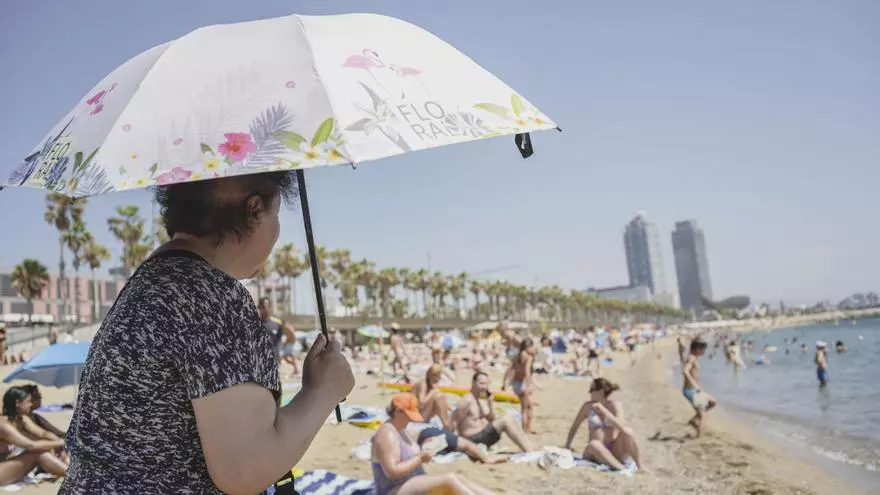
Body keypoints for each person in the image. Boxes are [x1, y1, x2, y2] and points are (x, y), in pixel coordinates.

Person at [59, 172, 354, 494]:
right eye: (276, 214)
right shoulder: (211, 295)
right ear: (254, 210)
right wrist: (324, 390)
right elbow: (245, 469)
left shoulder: (150, 281)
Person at [371, 393, 496, 495]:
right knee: (449, 480)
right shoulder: (386, 434)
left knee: (459, 478)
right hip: (395, 489)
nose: (410, 419)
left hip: (412, 481)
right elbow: (392, 471)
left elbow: (410, 453)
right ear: (397, 411)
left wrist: (426, 447)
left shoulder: (402, 430)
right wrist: (420, 458)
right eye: (409, 415)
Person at [563, 378, 642, 471]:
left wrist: (605, 412)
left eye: (592, 390)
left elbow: (622, 428)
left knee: (629, 431)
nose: (590, 393)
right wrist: (567, 445)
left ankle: (640, 466)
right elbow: (575, 426)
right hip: (595, 451)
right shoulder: (587, 406)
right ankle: (622, 468)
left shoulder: (615, 405)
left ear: (600, 391)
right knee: (594, 444)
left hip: (615, 448)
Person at [0, 387, 68, 484]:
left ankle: (75, 472)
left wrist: (60, 444)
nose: (31, 405)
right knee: (38, 453)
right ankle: (75, 476)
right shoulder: (4, 425)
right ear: (18, 403)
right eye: (28, 402)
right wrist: (62, 442)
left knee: (46, 447)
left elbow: (44, 433)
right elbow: (31, 446)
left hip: (7, 465)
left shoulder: (21, 418)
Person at [452, 372, 533, 453]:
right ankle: (529, 451)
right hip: (471, 439)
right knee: (505, 419)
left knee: (509, 417)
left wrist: (490, 403)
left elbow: (491, 419)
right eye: (481, 383)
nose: (484, 387)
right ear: (473, 382)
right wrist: (455, 445)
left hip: (483, 437)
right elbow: (453, 423)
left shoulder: (481, 401)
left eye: (486, 384)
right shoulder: (467, 400)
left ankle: (529, 447)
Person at [682, 339, 716, 437]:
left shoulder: (693, 357)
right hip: (690, 390)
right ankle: (700, 438)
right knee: (703, 415)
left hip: (693, 390)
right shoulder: (691, 358)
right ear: (697, 349)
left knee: (712, 402)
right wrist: (695, 385)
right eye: (703, 349)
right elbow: (685, 371)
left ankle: (693, 421)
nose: (704, 352)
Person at [502, 338, 537, 434]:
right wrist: (529, 384)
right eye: (532, 346)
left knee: (527, 406)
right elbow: (527, 371)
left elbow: (509, 370)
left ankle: (527, 428)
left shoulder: (516, 356)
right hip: (523, 384)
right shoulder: (528, 357)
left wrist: (504, 383)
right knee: (525, 408)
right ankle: (525, 429)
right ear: (528, 347)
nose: (534, 348)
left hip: (516, 384)